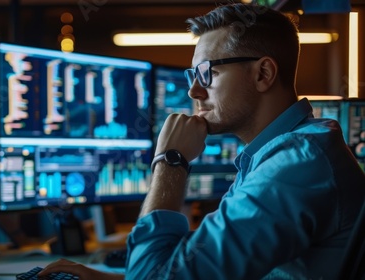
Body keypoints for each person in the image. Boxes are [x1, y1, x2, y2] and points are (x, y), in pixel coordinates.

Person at [39, 3, 365, 279]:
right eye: (192, 76)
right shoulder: (280, 154)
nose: (194, 91)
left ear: (263, 74)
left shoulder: (298, 163)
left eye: (207, 73)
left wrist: (170, 161)